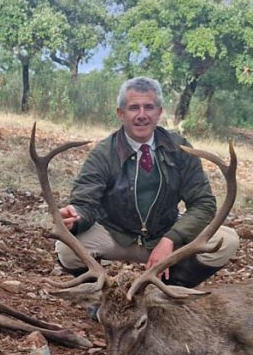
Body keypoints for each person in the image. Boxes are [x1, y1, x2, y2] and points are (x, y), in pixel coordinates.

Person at [56, 76, 238, 287]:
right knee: (66, 249)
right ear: (121, 113)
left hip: (164, 234)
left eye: (149, 107)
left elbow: (203, 204)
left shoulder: (180, 149)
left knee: (227, 241)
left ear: (159, 112)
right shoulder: (104, 153)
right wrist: (76, 219)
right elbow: (85, 203)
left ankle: (164, 291)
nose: (142, 115)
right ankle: (101, 293)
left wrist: (171, 239)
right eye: (134, 108)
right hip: (115, 234)